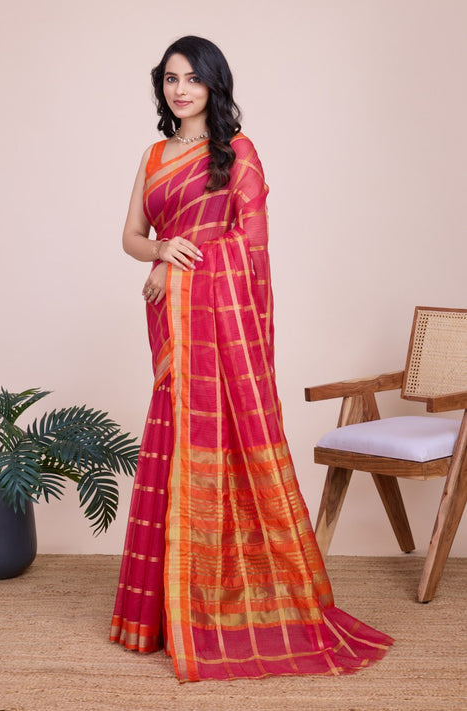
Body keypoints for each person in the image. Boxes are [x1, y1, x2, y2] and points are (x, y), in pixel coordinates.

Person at [110, 35, 393, 683]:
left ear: (214, 84)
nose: (180, 89)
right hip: (172, 325)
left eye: (192, 78)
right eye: (170, 78)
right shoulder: (152, 156)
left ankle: (222, 604)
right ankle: (163, 613)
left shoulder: (237, 152)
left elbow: (252, 245)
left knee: (218, 444)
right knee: (174, 444)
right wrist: (162, 253)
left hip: (210, 319)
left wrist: (180, 269)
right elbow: (131, 236)